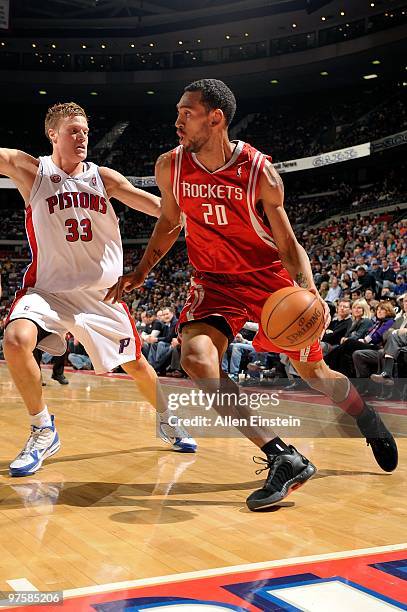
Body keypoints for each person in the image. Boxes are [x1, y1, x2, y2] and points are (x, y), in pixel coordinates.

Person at [105, 79, 398, 510]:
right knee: (196, 358)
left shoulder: (260, 173)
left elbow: (287, 243)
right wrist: (140, 271)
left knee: (314, 376)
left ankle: (365, 416)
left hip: (268, 282)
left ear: (215, 117)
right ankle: (282, 455)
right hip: (214, 282)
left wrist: (311, 291)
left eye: (187, 112)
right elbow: (169, 222)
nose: (177, 121)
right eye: (178, 112)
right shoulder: (171, 166)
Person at [1, 101, 196, 477]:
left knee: (137, 366)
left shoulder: (103, 177)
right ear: (52, 134)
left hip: (101, 296)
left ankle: (168, 419)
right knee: (14, 339)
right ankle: (43, 429)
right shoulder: (33, 171)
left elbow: (161, 210)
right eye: (74, 131)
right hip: (49, 292)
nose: (82, 137)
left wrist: (196, 212)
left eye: (86, 131)